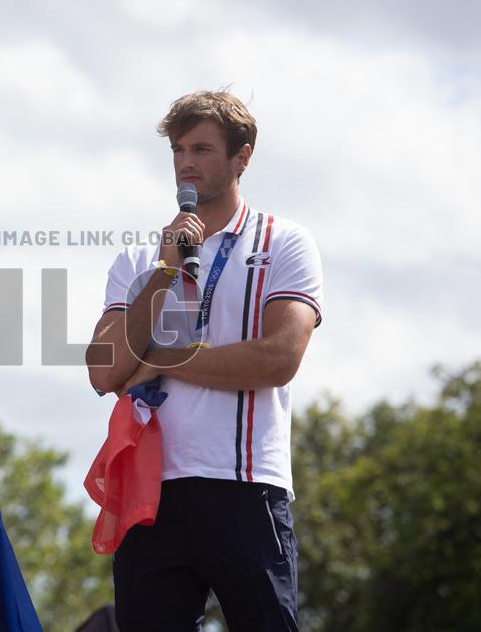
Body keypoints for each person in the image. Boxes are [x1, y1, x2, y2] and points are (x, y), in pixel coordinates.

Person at [85, 90, 323, 631]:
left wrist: (161, 359)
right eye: (177, 150)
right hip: (151, 491)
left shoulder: (285, 241)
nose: (186, 163)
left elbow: (278, 359)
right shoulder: (140, 258)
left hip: (245, 484)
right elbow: (105, 370)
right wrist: (165, 273)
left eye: (202, 149)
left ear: (243, 157)